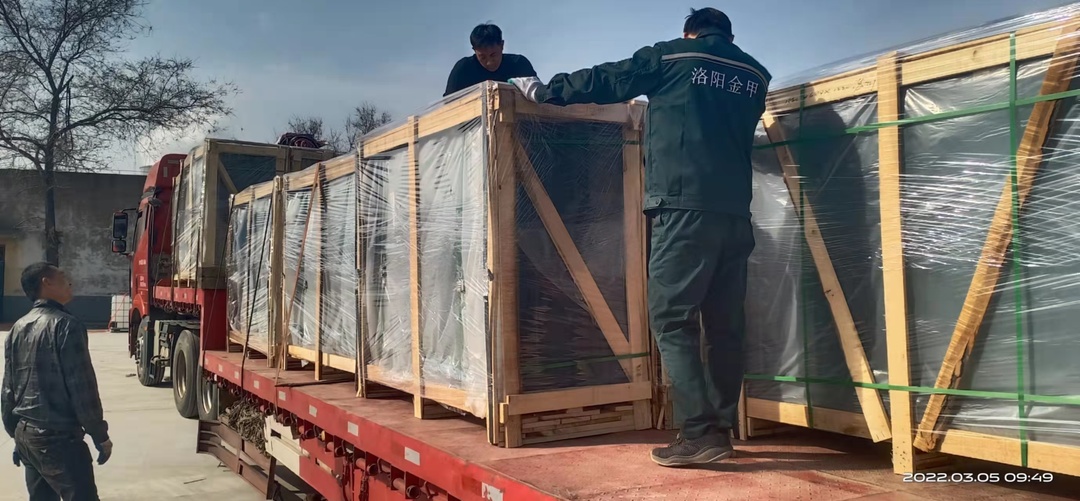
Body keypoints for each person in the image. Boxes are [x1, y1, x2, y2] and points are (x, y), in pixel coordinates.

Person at [509, 8, 770, 467]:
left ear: (689, 31)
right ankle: (719, 428)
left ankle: (698, 433)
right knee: (725, 325)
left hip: (683, 208)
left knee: (671, 317)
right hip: (734, 213)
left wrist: (546, 90)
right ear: (729, 36)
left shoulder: (673, 57)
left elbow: (609, 78)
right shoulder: (756, 76)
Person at [3, 262, 112, 500]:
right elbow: (82, 388)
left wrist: (17, 436)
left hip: (27, 435)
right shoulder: (66, 325)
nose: (69, 282)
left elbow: (8, 389)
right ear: (47, 283)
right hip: (58, 439)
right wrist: (99, 435)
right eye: (62, 277)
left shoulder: (17, 328)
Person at [444, 23, 538, 97]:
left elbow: (537, 95)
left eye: (493, 55)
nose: (489, 62)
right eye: (482, 57)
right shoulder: (463, 70)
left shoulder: (519, 64)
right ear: (474, 50)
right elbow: (448, 106)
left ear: (502, 45)